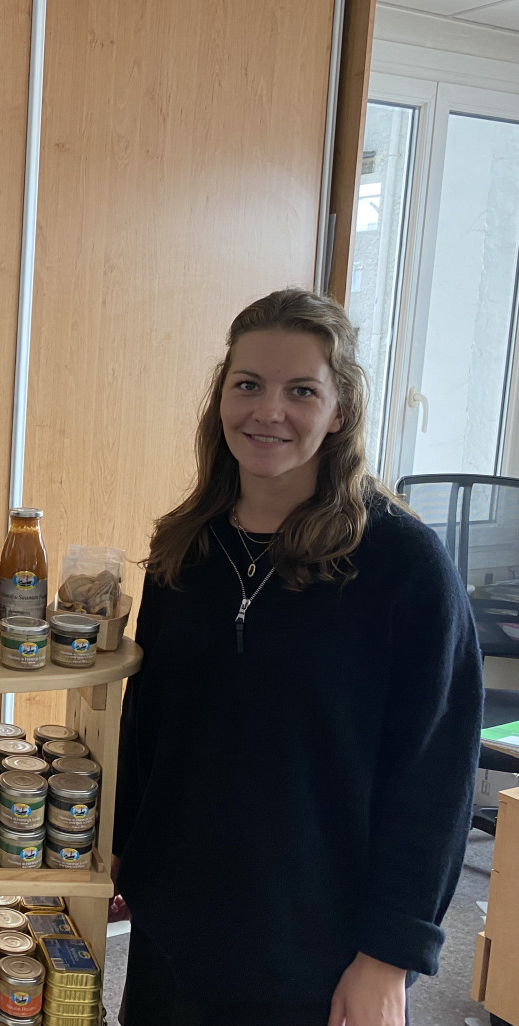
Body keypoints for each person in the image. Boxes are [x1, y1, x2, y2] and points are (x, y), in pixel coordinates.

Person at [112, 288, 483, 1026]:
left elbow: (435, 778)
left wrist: (389, 958)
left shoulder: (404, 566)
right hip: (174, 929)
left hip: (314, 945)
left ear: (339, 410)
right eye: (247, 384)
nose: (267, 412)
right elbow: (151, 720)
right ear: (222, 395)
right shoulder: (184, 546)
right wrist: (119, 849)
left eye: (301, 391)